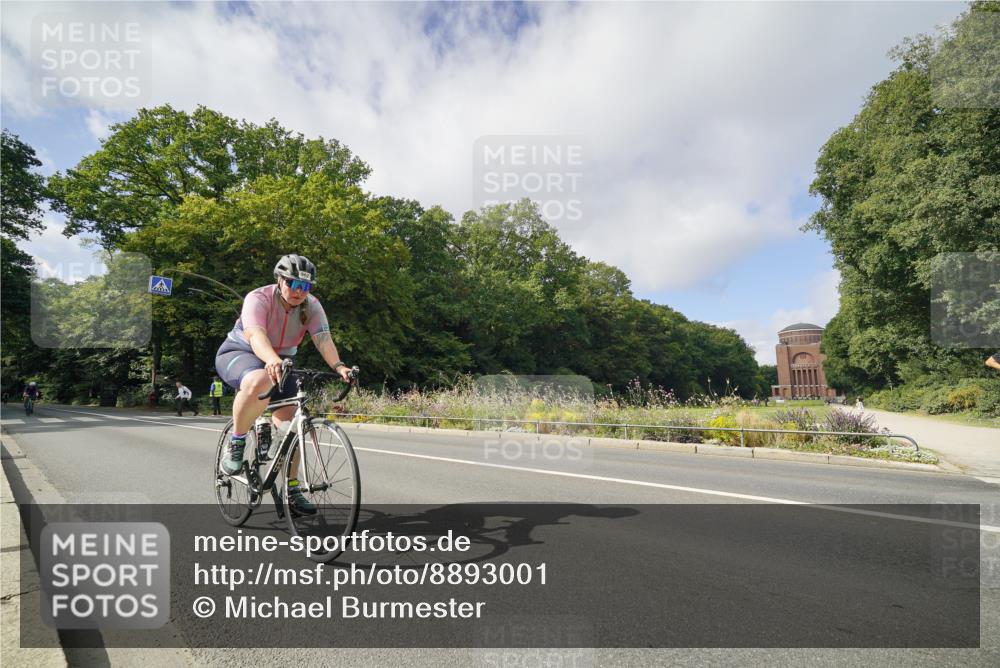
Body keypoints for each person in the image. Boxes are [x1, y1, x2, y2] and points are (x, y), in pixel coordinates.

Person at [214, 254, 353, 515]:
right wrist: (271, 359)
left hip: (282, 360)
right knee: (259, 380)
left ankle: (292, 488)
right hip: (241, 352)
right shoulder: (259, 298)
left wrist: (339, 367)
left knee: (294, 426)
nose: (300, 292)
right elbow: (256, 334)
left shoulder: (311, 306)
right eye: (294, 284)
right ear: (280, 280)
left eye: (306, 287)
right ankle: (237, 442)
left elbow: (323, 339)